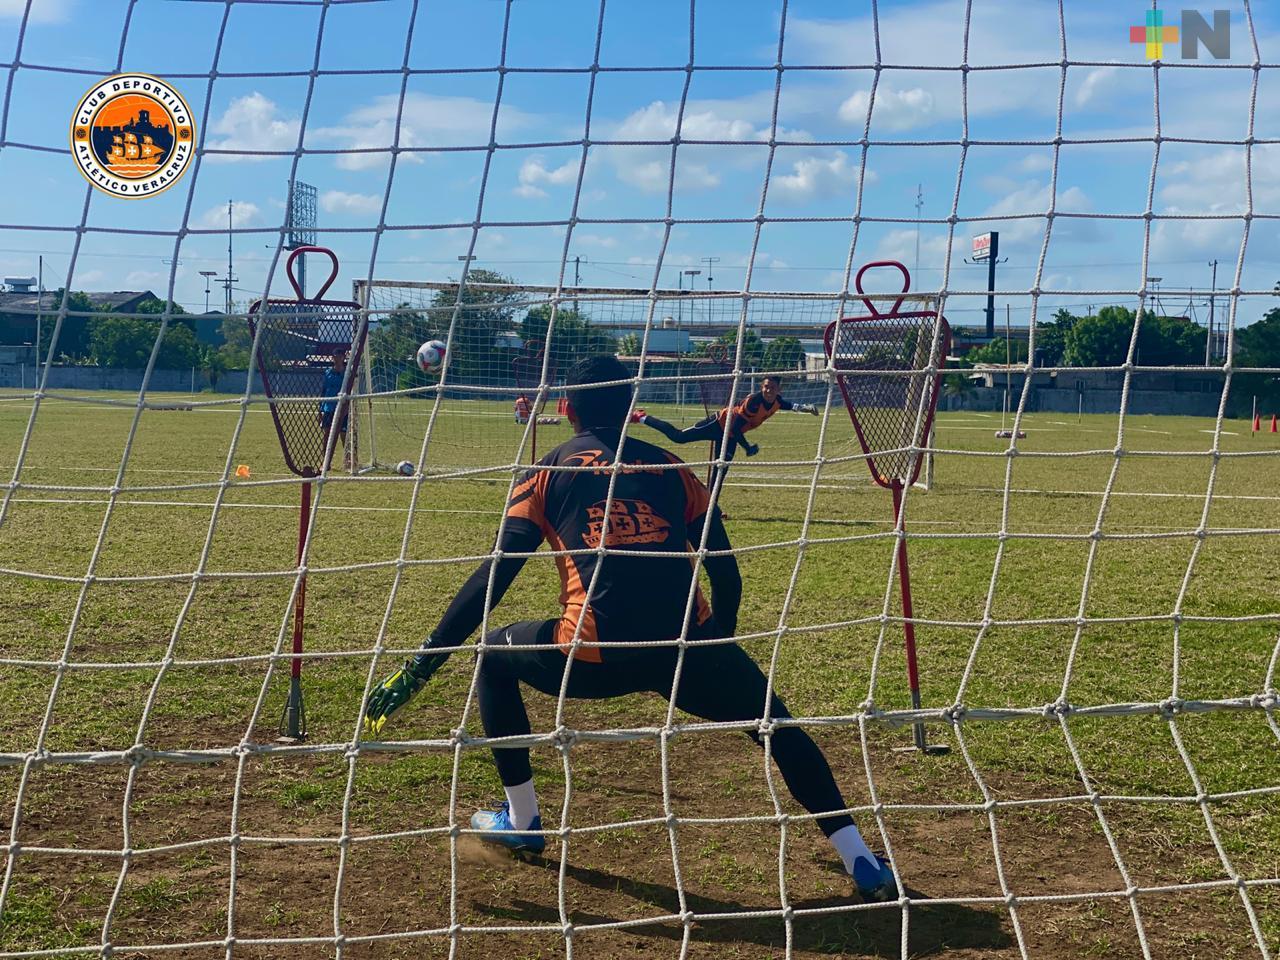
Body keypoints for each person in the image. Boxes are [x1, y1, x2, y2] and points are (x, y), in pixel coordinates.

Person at [361, 355, 897, 903]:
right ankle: (860, 859)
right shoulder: (672, 467)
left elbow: (494, 576)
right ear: (630, 407)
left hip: (595, 657)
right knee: (779, 728)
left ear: (566, 408)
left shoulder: (547, 470)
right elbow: (726, 573)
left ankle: (523, 820)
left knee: (493, 656)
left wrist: (423, 663)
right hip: (685, 648)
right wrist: (718, 648)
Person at [633, 375, 819, 495]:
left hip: (730, 436)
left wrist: (806, 408)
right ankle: (641, 417)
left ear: (779, 390)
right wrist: (747, 448)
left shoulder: (777, 401)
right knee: (678, 437)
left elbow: (789, 405)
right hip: (718, 425)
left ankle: (710, 507)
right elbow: (735, 428)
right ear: (761, 387)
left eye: (772, 388)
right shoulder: (754, 402)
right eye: (765, 387)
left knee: (720, 470)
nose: (768, 391)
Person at [318, 348, 350, 469]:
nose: (337, 359)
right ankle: (326, 462)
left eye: (340, 356)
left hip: (342, 408)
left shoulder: (347, 373)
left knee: (343, 434)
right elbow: (323, 390)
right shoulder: (328, 372)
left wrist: (347, 406)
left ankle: (348, 461)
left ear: (343, 358)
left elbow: (350, 391)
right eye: (335, 356)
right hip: (328, 408)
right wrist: (320, 409)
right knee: (327, 434)